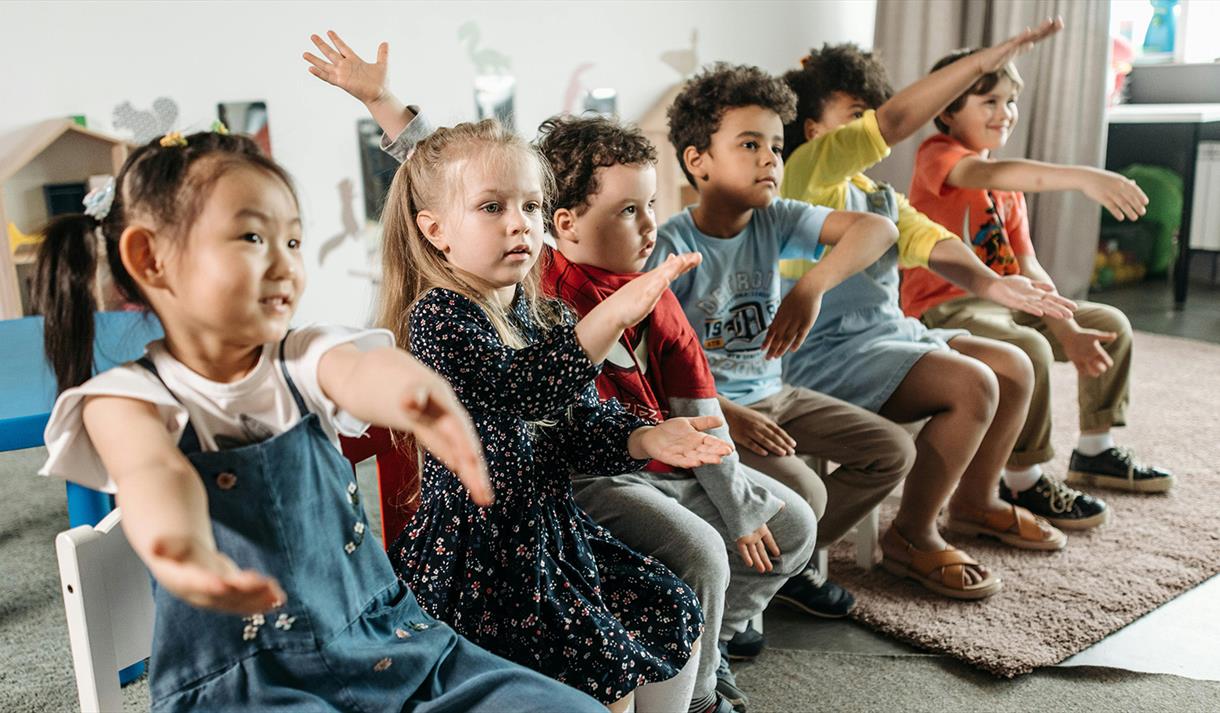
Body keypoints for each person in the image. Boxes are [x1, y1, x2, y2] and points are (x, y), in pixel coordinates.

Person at [35, 128, 605, 712]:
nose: (285, 264)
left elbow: (363, 373)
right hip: (248, 681)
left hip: (387, 640)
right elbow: (155, 474)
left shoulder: (299, 356)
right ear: (150, 258)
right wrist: (185, 554)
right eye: (254, 236)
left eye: (294, 240)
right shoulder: (122, 398)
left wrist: (425, 398)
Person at [376, 115, 726, 712]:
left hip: (549, 534)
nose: (519, 223)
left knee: (673, 607)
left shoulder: (547, 316)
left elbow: (575, 429)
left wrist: (647, 438)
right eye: (491, 208)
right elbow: (522, 389)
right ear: (436, 231)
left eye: (531, 206)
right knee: (605, 667)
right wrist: (612, 315)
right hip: (479, 560)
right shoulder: (437, 318)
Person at [905, 47, 1172, 510]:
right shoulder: (939, 157)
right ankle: (1021, 479)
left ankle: (1094, 450)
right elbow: (985, 171)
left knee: (1109, 325)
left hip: (1011, 298)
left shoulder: (1009, 189)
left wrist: (1070, 326)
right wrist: (1081, 177)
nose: (1004, 113)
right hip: (946, 306)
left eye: (1011, 101)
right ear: (947, 110)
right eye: (989, 101)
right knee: (1029, 350)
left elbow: (1026, 266)